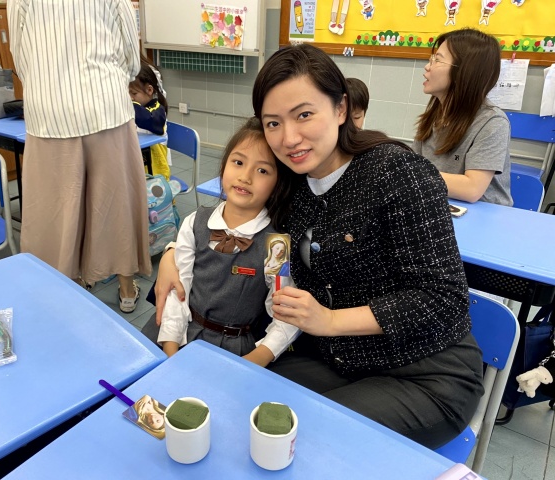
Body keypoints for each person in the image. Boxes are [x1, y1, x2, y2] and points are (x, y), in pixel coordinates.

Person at [155, 44, 484, 450]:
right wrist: (172, 254)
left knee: (302, 439)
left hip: (424, 373)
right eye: (273, 123)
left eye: (304, 115)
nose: (289, 137)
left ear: (341, 108)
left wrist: (329, 320)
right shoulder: (294, 180)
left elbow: (444, 298)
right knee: (235, 408)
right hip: (333, 360)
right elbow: (233, 218)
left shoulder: (397, 173)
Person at [8, 0, 151, 313]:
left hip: (49, 111)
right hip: (105, 106)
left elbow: (21, 58)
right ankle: (127, 290)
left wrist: (51, 82)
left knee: (56, 212)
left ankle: (67, 292)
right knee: (117, 206)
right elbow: (130, 57)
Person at [141, 118, 300, 363]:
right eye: (238, 162)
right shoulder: (194, 222)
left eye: (262, 170)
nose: (245, 177)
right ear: (224, 165)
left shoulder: (276, 245)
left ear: (278, 183)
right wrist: (170, 352)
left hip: (234, 350)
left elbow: (285, 315)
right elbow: (177, 292)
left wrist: (256, 360)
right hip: (177, 335)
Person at [414, 28, 512, 206]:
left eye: (438, 60)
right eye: (432, 58)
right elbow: (416, 165)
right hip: (440, 206)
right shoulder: (434, 114)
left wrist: (410, 173)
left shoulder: (493, 121)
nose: (428, 67)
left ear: (465, 71)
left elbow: (471, 189)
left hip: (483, 215)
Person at [130, 62, 171, 180]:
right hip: (139, 167)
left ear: (149, 90)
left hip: (156, 172)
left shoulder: (157, 110)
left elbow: (148, 120)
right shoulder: (136, 109)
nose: (130, 97)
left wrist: (130, 105)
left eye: (134, 93)